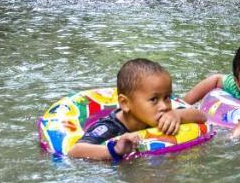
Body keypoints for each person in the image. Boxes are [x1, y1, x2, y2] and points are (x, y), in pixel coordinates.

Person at [68, 58, 208, 162]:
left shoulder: (166, 114)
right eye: (154, 99)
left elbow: (202, 116)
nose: (165, 106)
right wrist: (115, 150)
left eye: (167, 97)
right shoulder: (109, 127)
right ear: (125, 103)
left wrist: (178, 115)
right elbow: (75, 150)